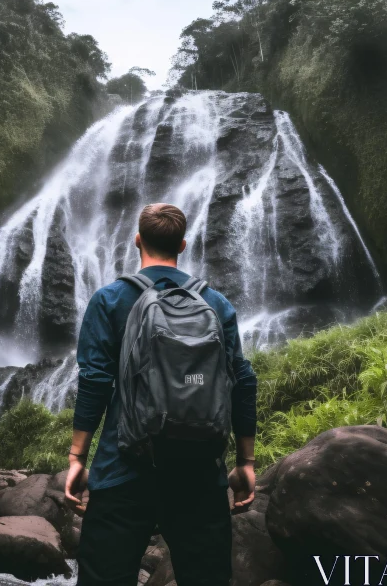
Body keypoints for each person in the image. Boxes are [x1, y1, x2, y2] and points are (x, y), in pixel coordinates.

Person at [64, 202, 258, 586]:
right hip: (200, 472)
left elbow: (96, 381)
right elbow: (243, 380)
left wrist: (77, 457)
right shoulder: (215, 304)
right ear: (183, 245)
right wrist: (246, 461)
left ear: (138, 241)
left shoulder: (110, 300)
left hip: (122, 470)